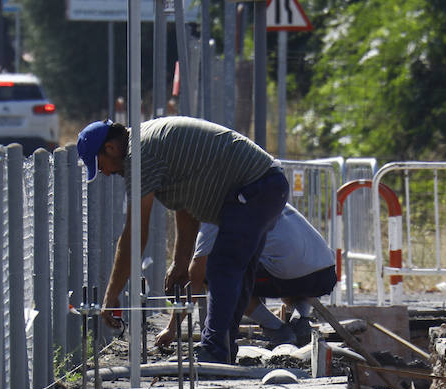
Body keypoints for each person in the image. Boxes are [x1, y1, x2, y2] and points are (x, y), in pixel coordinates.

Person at [76, 115, 289, 364]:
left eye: (100, 165)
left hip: (255, 187)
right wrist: (180, 261)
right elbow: (186, 205)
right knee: (236, 273)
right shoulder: (147, 144)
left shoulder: (138, 157)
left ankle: (215, 350)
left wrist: (111, 295)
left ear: (110, 148)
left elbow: (134, 234)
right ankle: (223, 349)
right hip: (265, 185)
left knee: (222, 267)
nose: (104, 173)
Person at [154, 204, 337, 351]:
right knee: (283, 266)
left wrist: (171, 328)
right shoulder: (260, 194)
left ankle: (279, 331)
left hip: (289, 274)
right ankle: (301, 319)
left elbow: (196, 278)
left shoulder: (213, 211)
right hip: (325, 273)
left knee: (216, 277)